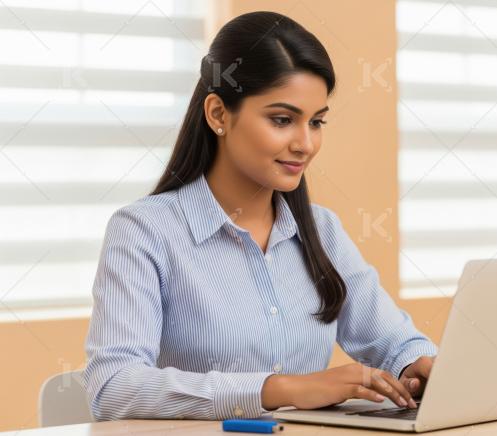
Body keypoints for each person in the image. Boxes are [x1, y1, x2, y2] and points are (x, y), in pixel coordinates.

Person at [83, 11, 437, 421]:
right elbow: (114, 388)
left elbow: (394, 342)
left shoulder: (321, 230)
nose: (305, 144)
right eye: (282, 120)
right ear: (218, 114)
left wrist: (418, 366)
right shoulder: (144, 232)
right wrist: (278, 389)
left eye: (317, 122)